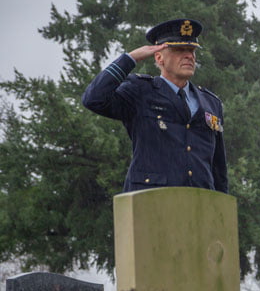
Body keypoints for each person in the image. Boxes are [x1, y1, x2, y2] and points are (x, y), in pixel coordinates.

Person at [82, 18, 227, 193]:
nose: (189, 56)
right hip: (150, 201)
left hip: (199, 204)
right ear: (159, 57)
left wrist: (220, 210)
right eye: (180, 50)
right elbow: (93, 99)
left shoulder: (211, 103)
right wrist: (130, 58)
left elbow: (218, 168)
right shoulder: (141, 91)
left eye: (192, 50)